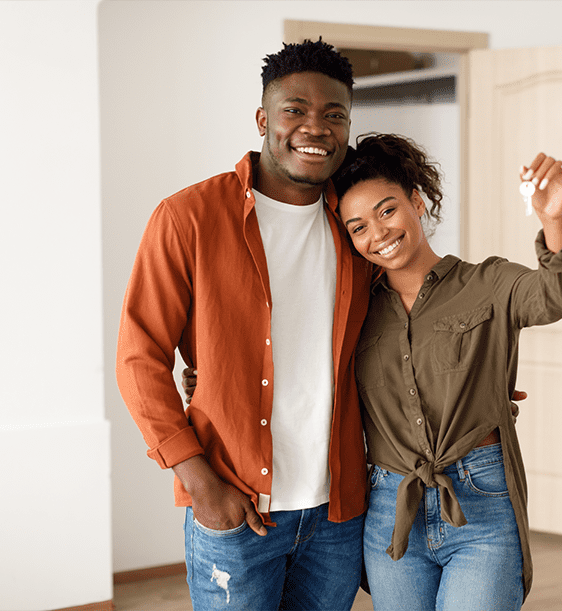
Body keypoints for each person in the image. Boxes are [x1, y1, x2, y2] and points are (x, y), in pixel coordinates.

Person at [116, 39, 372, 610]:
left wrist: (472, 376)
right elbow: (139, 359)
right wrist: (201, 485)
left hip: (337, 511)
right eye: (295, 110)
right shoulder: (189, 218)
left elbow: (396, 330)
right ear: (263, 119)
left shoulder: (357, 227)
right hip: (236, 506)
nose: (316, 127)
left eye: (334, 115)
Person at [333, 134, 562, 610]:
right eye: (358, 227)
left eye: (387, 211)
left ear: (416, 201)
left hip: (481, 503)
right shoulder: (352, 311)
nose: (378, 233)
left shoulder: (488, 283)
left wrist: (553, 218)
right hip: (392, 509)